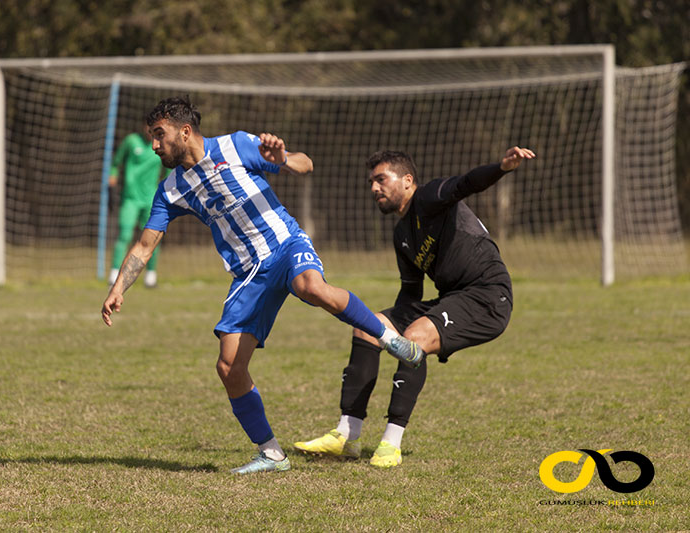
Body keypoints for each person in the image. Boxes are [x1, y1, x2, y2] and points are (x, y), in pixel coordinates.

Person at [101, 96, 424, 474]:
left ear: (184, 131)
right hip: (249, 273)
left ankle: (390, 341)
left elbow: (306, 165)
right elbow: (144, 245)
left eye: (160, 135)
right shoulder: (171, 189)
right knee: (228, 366)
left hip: (285, 244)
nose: (154, 145)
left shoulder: (236, 145)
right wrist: (119, 287)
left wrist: (282, 158)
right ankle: (272, 454)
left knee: (311, 287)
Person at [294, 146, 535, 467]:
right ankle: (347, 435)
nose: (374, 188)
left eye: (381, 179)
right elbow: (410, 293)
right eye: (371, 182)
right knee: (368, 326)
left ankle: (391, 444)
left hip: (487, 297)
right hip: (452, 297)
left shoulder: (430, 196)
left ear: (408, 180)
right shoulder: (402, 234)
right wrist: (385, 330)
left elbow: (467, 183)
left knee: (415, 337)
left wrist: (502, 168)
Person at [107, 123, 166, 288]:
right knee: (124, 235)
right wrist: (111, 183)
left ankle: (151, 276)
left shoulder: (161, 146)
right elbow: (115, 163)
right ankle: (114, 274)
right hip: (130, 198)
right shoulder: (131, 141)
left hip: (151, 201)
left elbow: (169, 171)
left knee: (153, 238)